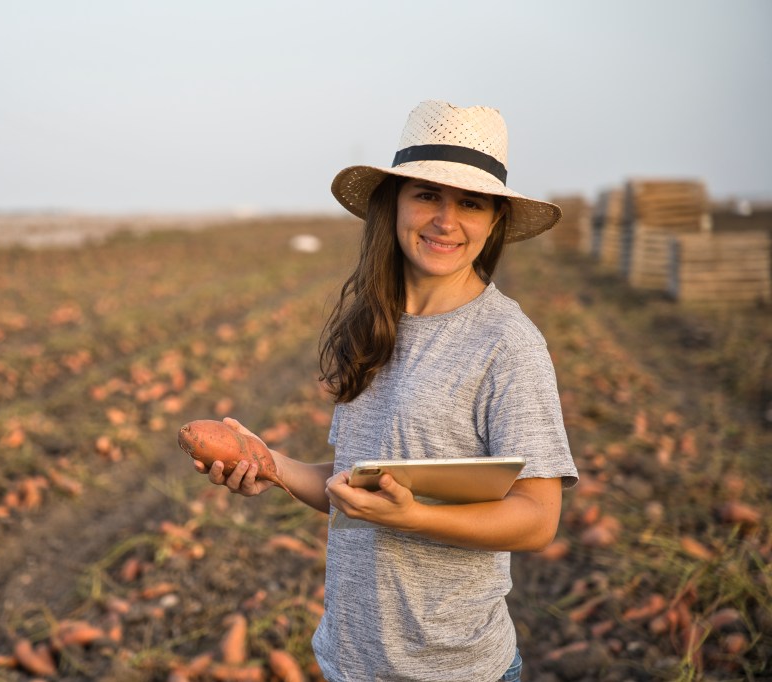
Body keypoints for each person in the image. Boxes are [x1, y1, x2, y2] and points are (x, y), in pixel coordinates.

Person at [192, 100, 579, 682]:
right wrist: (268, 463)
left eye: (469, 202)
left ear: (494, 219)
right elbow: (359, 483)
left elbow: (536, 518)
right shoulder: (373, 325)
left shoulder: (507, 343)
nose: (445, 220)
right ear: (393, 204)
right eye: (426, 194)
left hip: (453, 669)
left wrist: (413, 517)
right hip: (350, 660)